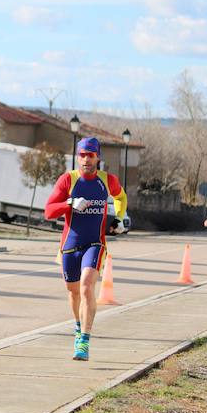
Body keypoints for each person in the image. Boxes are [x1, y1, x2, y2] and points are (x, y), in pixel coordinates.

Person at [44, 137, 127, 361]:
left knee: (86, 286)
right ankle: (78, 326)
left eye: (90, 155)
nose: (86, 159)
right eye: (82, 155)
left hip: (95, 243)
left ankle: (84, 341)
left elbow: (121, 196)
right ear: (77, 157)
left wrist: (121, 217)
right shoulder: (67, 180)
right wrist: (70, 203)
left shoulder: (107, 180)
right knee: (73, 291)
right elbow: (48, 211)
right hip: (70, 245)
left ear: (98, 157)